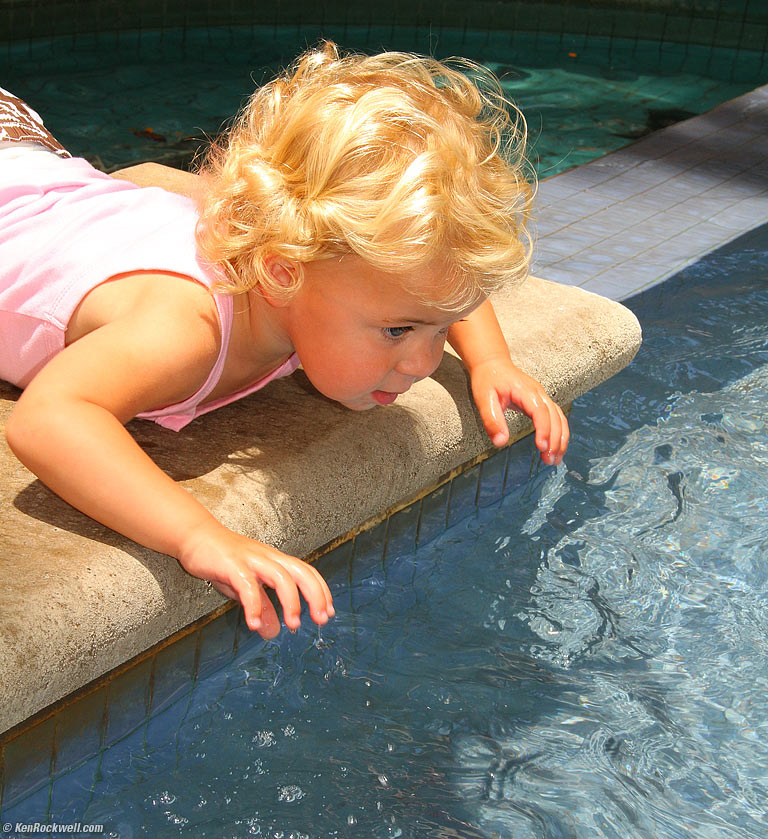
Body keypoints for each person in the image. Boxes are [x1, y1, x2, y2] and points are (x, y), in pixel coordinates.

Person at [0, 43, 569, 640]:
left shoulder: (322, 277)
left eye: (439, 328)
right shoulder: (187, 329)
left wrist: (491, 360)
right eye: (399, 331)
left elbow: (437, 286)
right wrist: (197, 535)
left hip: (33, 167)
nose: (425, 362)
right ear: (280, 274)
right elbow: (51, 419)